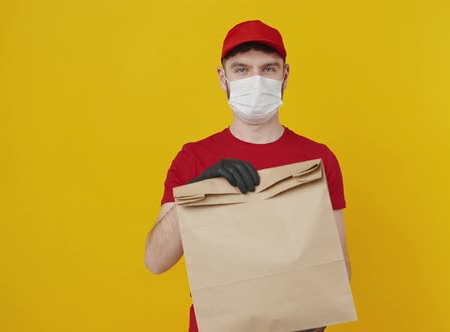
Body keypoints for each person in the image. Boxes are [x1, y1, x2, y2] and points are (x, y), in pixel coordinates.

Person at [144, 20, 351, 332]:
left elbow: (338, 262)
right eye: (241, 69)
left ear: (285, 75)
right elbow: (156, 261)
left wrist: (316, 316)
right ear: (222, 77)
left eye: (268, 69)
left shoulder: (318, 159)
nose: (256, 80)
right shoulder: (193, 158)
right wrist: (194, 192)